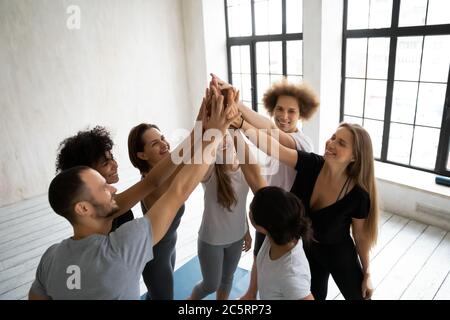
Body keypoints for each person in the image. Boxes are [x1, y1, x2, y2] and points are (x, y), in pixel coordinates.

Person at [28, 91, 238, 299]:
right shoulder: (124, 246)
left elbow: (153, 181)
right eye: (102, 185)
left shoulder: (51, 258)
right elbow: (177, 190)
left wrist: (199, 131)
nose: (112, 189)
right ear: (83, 207)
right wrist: (215, 133)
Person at [236, 119, 379, 300]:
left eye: (341, 143)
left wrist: (367, 273)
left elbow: (360, 236)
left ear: (355, 157)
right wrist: (240, 124)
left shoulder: (358, 196)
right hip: (307, 249)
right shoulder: (311, 164)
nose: (331, 143)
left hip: (337, 252)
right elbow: (274, 148)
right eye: (333, 137)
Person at [211, 74, 319, 299]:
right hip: (269, 212)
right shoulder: (270, 133)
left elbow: (271, 134)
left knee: (282, 274)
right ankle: (254, 292)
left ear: (302, 116)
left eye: (292, 111)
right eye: (280, 109)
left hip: (287, 221)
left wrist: (237, 113)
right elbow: (265, 136)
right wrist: (232, 110)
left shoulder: (302, 143)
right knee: (261, 258)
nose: (284, 116)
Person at [188, 89, 262, 301]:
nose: (225, 140)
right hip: (212, 240)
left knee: (227, 279)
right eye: (219, 137)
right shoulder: (210, 170)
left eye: (228, 134)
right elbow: (197, 154)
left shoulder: (246, 168)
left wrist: (246, 231)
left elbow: (242, 204)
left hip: (237, 237)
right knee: (210, 285)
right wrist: (203, 126)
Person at [127, 123, 186, 300]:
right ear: (142, 155)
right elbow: (193, 157)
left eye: (162, 138)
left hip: (168, 247)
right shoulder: (156, 184)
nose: (164, 144)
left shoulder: (160, 173)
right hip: (155, 259)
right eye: (155, 143)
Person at [55, 126, 134, 232]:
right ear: (87, 173)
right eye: (105, 163)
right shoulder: (102, 209)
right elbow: (152, 182)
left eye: (112, 158)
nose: (115, 165)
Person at [250, 186, 314, 300]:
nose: (249, 212)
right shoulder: (279, 233)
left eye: (251, 211)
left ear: (263, 227)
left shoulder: (292, 274)